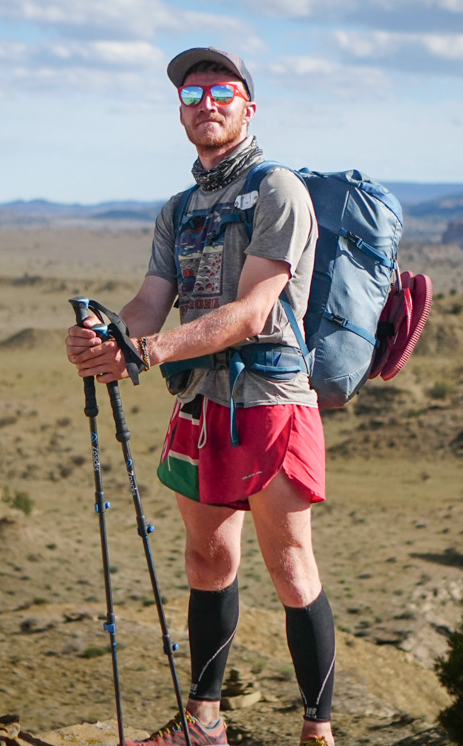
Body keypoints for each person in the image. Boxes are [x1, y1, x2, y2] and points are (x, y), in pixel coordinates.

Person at [65, 47, 336, 746]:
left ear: (249, 105)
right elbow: (152, 300)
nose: (206, 103)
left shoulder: (279, 191)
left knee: (290, 565)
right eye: (192, 95)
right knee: (207, 560)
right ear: (180, 112)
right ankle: (205, 726)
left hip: (270, 399)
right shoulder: (179, 209)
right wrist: (110, 335)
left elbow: (252, 312)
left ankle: (318, 730)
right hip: (201, 405)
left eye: (222, 90)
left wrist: (148, 352)